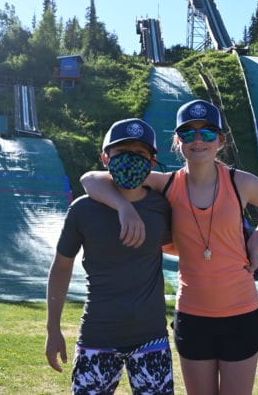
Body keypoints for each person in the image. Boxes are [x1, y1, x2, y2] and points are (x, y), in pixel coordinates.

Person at [80, 99, 258, 395]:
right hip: (193, 317)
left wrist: (254, 244)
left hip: (241, 315)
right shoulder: (167, 184)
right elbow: (91, 179)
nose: (198, 140)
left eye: (207, 132)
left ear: (221, 140)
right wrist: (123, 207)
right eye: (188, 133)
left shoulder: (240, 182)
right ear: (178, 141)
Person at [46, 118, 174, 394]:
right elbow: (61, 266)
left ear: (152, 162)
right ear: (105, 158)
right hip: (97, 336)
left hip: (151, 338)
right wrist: (52, 327)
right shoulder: (83, 210)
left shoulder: (163, 206)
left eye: (140, 154)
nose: (131, 160)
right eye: (121, 153)